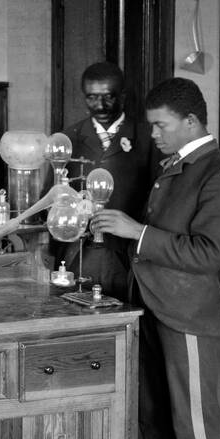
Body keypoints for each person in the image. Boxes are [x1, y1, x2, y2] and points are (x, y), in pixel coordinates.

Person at [93, 77, 220, 439]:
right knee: (155, 418)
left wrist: (135, 231)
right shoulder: (174, 167)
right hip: (155, 306)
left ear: (191, 122)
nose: (154, 134)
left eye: (160, 125)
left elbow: (206, 253)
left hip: (188, 315)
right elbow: (156, 241)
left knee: (197, 428)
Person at [63, 61, 159, 297]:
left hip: (130, 256)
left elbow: (159, 197)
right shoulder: (69, 138)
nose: (100, 105)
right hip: (80, 255)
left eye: (108, 97)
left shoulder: (148, 137)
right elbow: (55, 197)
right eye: (92, 98)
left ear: (123, 96)